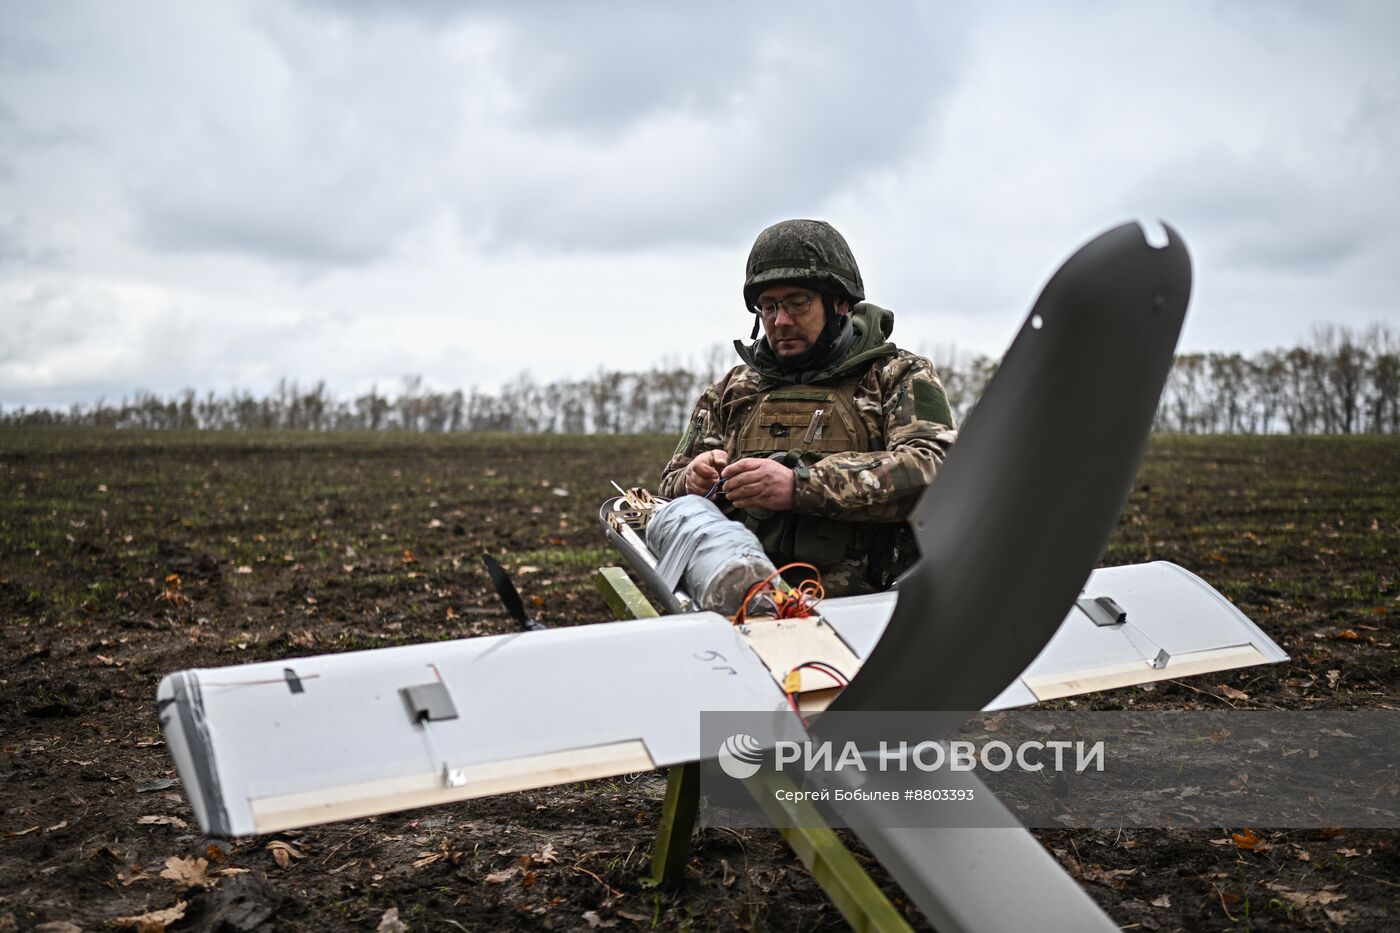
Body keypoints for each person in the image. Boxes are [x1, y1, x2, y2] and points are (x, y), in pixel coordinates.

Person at [658, 219, 958, 597]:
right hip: (742, 600)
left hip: (867, 607)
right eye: (768, 307)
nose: (781, 321)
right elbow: (666, 495)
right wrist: (693, 481)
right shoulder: (733, 390)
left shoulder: (895, 376)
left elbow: (936, 469)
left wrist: (800, 485)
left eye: (798, 303)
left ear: (840, 303)